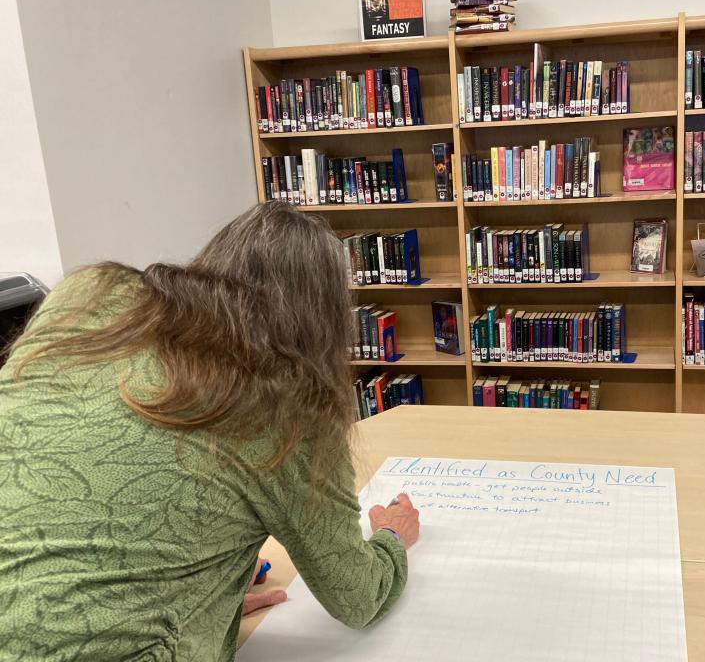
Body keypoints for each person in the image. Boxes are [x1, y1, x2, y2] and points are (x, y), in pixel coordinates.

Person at [0, 202, 420, 661]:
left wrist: (206, 586)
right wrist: (392, 539)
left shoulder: (87, 298)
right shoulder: (288, 398)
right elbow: (358, 597)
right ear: (323, 319)